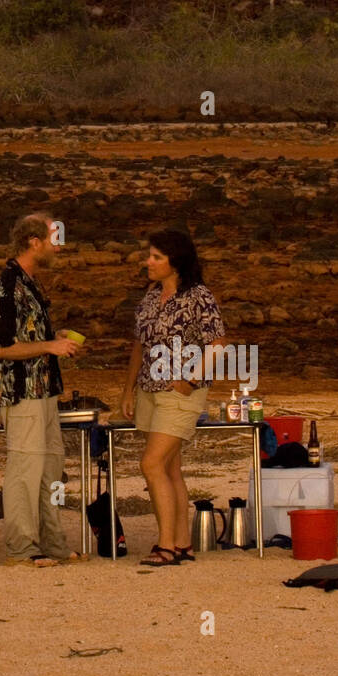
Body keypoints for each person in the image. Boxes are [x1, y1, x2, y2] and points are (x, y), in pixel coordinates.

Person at [119, 228, 225, 566]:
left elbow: (219, 344)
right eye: (149, 255)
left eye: (156, 257)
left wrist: (190, 381)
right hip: (150, 390)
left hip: (179, 393)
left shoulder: (198, 296)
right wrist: (128, 388)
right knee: (171, 468)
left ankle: (164, 545)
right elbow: (140, 344)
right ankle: (182, 543)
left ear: (174, 262)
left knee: (150, 463)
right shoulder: (151, 295)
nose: (147, 261)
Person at [0, 212, 83, 568]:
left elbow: (28, 338)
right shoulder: (8, 285)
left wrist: (52, 340)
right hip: (22, 393)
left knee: (50, 470)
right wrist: (48, 348)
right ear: (34, 242)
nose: (59, 246)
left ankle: (52, 543)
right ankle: (21, 548)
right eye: (53, 238)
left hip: (44, 391)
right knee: (24, 471)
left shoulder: (31, 283)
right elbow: (0, 347)